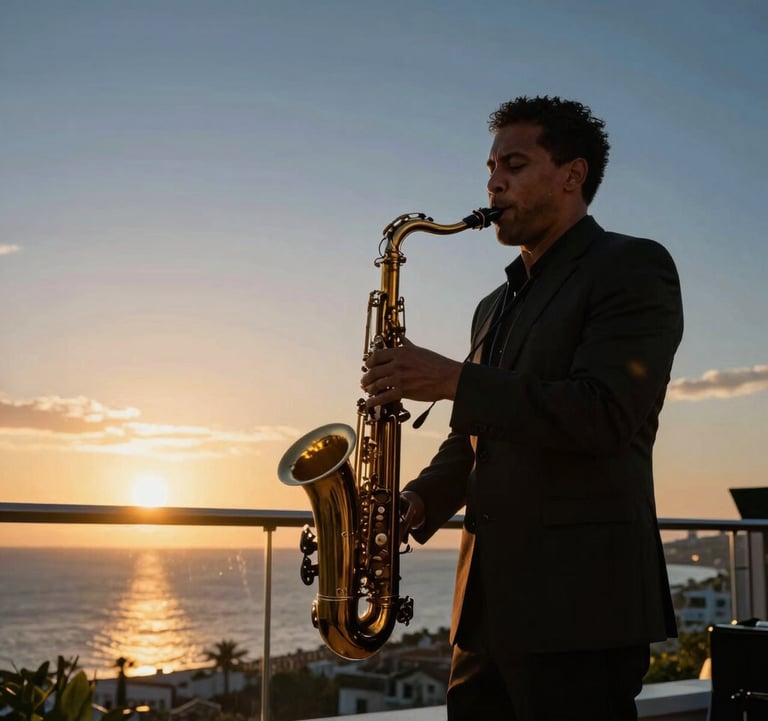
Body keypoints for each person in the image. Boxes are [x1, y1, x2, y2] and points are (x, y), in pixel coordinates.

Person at [360, 95, 684, 721]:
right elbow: (476, 434)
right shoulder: (492, 304)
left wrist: (454, 378)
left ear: (572, 175)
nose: (492, 182)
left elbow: (605, 412)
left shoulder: (632, 266)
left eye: (513, 163)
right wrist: (419, 502)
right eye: (489, 168)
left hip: (581, 612)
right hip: (483, 617)